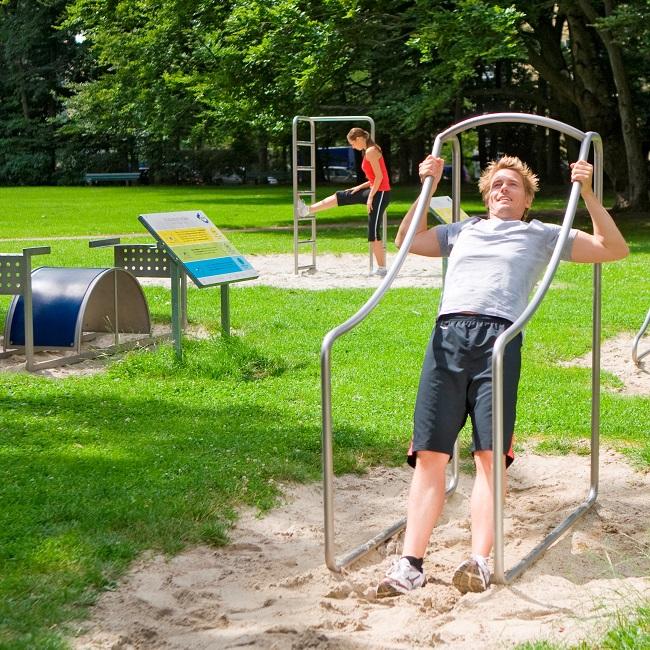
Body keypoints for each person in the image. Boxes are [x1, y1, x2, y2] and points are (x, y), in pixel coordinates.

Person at [376, 154, 629, 597]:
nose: (503, 190)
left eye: (513, 185)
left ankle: (478, 559)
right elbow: (407, 241)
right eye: (496, 184)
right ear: (486, 194)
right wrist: (428, 185)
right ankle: (410, 563)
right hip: (448, 336)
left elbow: (614, 248)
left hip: (499, 340)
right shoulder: (462, 230)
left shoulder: (542, 234)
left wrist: (586, 192)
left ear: (528, 198)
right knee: (431, 455)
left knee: (489, 457)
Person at [297, 127, 391, 276]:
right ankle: (307, 210)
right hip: (375, 190)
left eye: (352, 143)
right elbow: (374, 179)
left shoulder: (371, 151)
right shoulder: (368, 150)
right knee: (342, 195)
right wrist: (358, 187)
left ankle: (382, 269)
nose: (353, 147)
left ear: (359, 139)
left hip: (381, 194)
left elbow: (380, 178)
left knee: (373, 231)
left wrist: (370, 198)